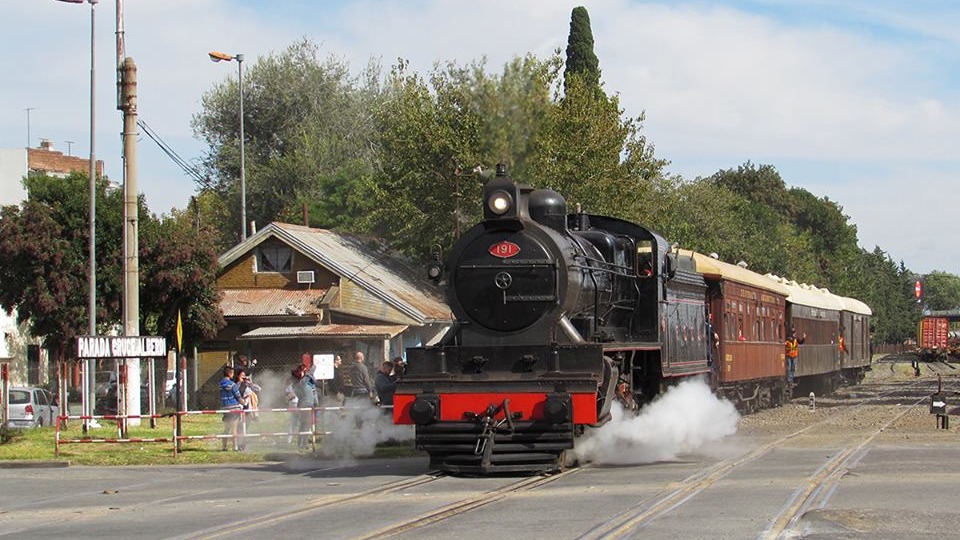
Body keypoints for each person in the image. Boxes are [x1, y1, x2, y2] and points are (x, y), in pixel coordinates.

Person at [291, 364, 318, 449]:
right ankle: (302, 444)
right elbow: (309, 375)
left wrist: (316, 404)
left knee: (305, 425)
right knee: (304, 425)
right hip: (305, 405)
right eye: (303, 371)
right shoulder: (300, 383)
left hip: (309, 405)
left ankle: (303, 444)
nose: (305, 373)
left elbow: (314, 394)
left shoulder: (304, 383)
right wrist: (314, 366)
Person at [218, 366, 244, 451]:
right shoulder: (232, 385)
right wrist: (244, 402)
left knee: (226, 428)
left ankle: (224, 447)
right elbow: (238, 397)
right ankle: (235, 447)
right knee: (234, 428)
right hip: (234, 408)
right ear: (229, 373)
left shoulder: (221, 384)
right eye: (232, 373)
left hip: (225, 408)